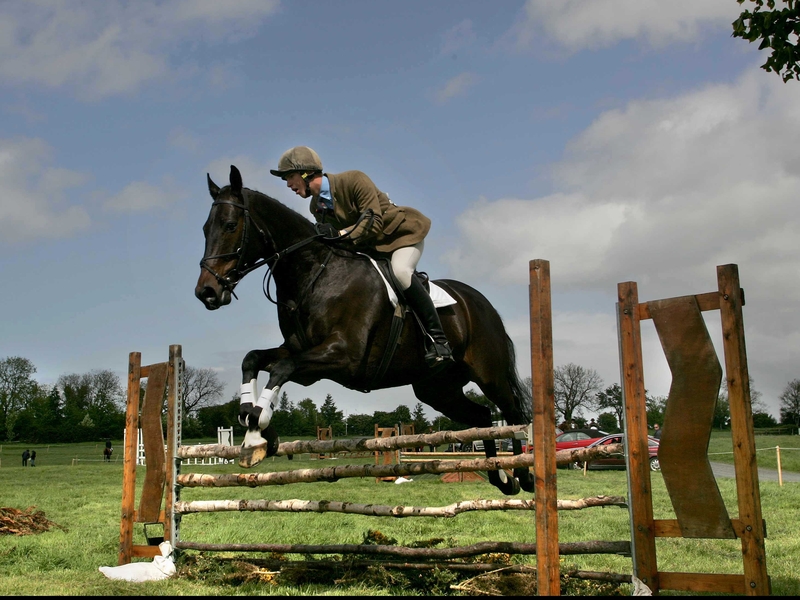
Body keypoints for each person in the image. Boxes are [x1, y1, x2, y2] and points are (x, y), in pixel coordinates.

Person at [270, 146, 453, 370]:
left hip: (400, 237)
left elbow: (373, 223)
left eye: (290, 177)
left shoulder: (354, 180)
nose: (288, 184)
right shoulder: (316, 207)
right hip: (370, 249)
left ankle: (439, 341)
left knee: (401, 273)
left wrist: (338, 234)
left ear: (306, 173)